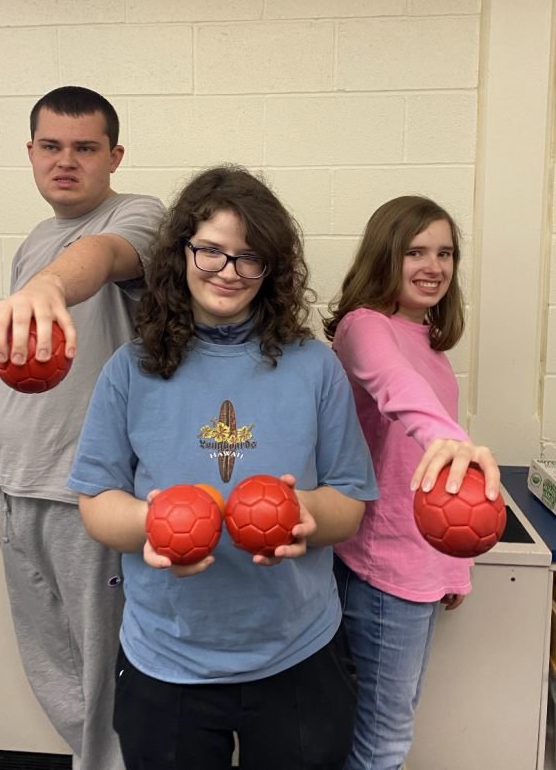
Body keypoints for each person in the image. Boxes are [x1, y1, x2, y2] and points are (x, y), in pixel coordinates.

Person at [66, 165, 379, 770]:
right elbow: (96, 499)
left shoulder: (315, 365)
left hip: (298, 654)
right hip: (166, 659)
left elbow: (351, 499)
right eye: (210, 251)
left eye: (249, 257)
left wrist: (305, 514)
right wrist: (149, 525)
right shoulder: (132, 369)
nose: (228, 272)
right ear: (181, 252)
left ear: (273, 267)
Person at [0, 86, 164, 770]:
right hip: (21, 491)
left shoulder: (138, 216)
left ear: (114, 156)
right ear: (30, 153)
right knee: (54, 672)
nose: (67, 161)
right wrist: (4, 483)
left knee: (105, 682)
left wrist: (50, 287)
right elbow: (19, 371)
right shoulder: (33, 241)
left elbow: (103, 261)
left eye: (85, 148)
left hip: (86, 498)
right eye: (51, 147)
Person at [323, 195, 501, 770]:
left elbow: (419, 473)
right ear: (384, 255)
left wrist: (451, 565)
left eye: (445, 252)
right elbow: (400, 391)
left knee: (385, 726)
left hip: (419, 564)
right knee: (383, 739)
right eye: (415, 251)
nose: (435, 266)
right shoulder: (364, 328)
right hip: (381, 569)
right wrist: (449, 439)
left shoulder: (425, 337)